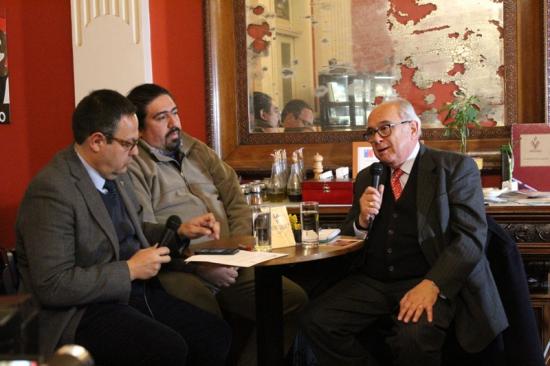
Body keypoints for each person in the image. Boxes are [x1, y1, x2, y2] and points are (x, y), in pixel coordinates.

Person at [15, 89, 231, 365]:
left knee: (213, 335)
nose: (135, 152)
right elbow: (53, 285)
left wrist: (178, 233)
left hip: (129, 294)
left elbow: (132, 232)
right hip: (79, 311)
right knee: (166, 348)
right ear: (96, 141)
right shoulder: (52, 191)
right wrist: (129, 270)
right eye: (128, 144)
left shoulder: (117, 173)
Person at [299, 98, 508, 365]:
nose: (376, 139)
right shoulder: (367, 177)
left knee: (413, 338)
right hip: (374, 281)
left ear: (413, 128)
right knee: (316, 320)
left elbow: (470, 239)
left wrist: (434, 284)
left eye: (385, 128)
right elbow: (348, 238)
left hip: (428, 277)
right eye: (371, 132)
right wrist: (361, 221)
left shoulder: (454, 168)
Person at [126, 83, 308, 365]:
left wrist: (237, 252)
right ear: (138, 128)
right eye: (161, 118)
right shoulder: (134, 164)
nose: (174, 123)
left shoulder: (196, 149)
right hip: (178, 267)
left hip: (230, 258)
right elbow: (143, 230)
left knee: (291, 299)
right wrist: (199, 264)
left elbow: (235, 198)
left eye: (175, 113)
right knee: (204, 317)